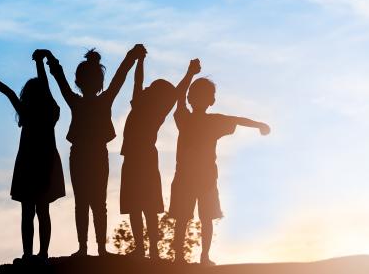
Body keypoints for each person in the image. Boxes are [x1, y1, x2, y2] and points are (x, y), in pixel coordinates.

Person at [169, 59, 271, 265]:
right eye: (194, 95)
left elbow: (238, 119)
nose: (196, 98)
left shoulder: (203, 120)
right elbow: (179, 97)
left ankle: (202, 256)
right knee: (185, 219)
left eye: (201, 96)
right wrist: (189, 74)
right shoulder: (186, 118)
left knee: (201, 219)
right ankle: (182, 257)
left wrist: (259, 124)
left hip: (204, 179)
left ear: (210, 100)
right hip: (190, 179)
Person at [47, 45, 145, 257]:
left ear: (79, 81)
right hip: (96, 155)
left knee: (83, 202)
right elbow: (120, 76)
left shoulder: (76, 101)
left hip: (82, 155)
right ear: (99, 82)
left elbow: (60, 79)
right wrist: (131, 56)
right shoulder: (104, 100)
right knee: (97, 203)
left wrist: (51, 59)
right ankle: (98, 248)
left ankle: (86, 247)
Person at [0, 50, 65, 264]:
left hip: (29, 164)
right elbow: (41, 88)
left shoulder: (30, 112)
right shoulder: (50, 112)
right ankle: (42, 254)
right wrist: (40, 62)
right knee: (43, 211)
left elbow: (11, 93)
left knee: (28, 212)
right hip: (46, 163)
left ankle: (29, 254)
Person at [119, 49, 179, 259]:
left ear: (155, 96)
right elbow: (138, 81)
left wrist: (141, 61)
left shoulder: (152, 110)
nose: (144, 87)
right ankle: (145, 248)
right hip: (136, 158)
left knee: (145, 205)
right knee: (140, 206)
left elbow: (139, 82)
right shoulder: (144, 106)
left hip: (141, 158)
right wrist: (140, 61)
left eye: (150, 87)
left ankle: (149, 248)